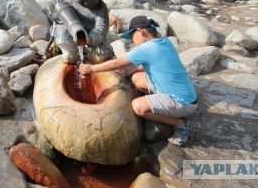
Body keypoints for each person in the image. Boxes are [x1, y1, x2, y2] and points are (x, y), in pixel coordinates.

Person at [78, 15, 198, 147]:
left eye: (132, 36)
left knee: (138, 107)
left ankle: (180, 124)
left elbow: (117, 63)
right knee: (136, 78)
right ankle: (159, 104)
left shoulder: (146, 49)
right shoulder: (163, 41)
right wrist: (130, 71)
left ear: (141, 31)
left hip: (182, 102)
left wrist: (92, 68)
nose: (133, 41)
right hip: (186, 94)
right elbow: (148, 62)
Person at [51, 0, 113, 65]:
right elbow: (57, 15)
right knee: (69, 58)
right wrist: (74, 27)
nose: (85, 1)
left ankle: (88, 51)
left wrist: (90, 39)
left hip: (90, 34)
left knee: (99, 59)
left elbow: (102, 28)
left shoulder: (100, 8)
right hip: (70, 31)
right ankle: (71, 51)